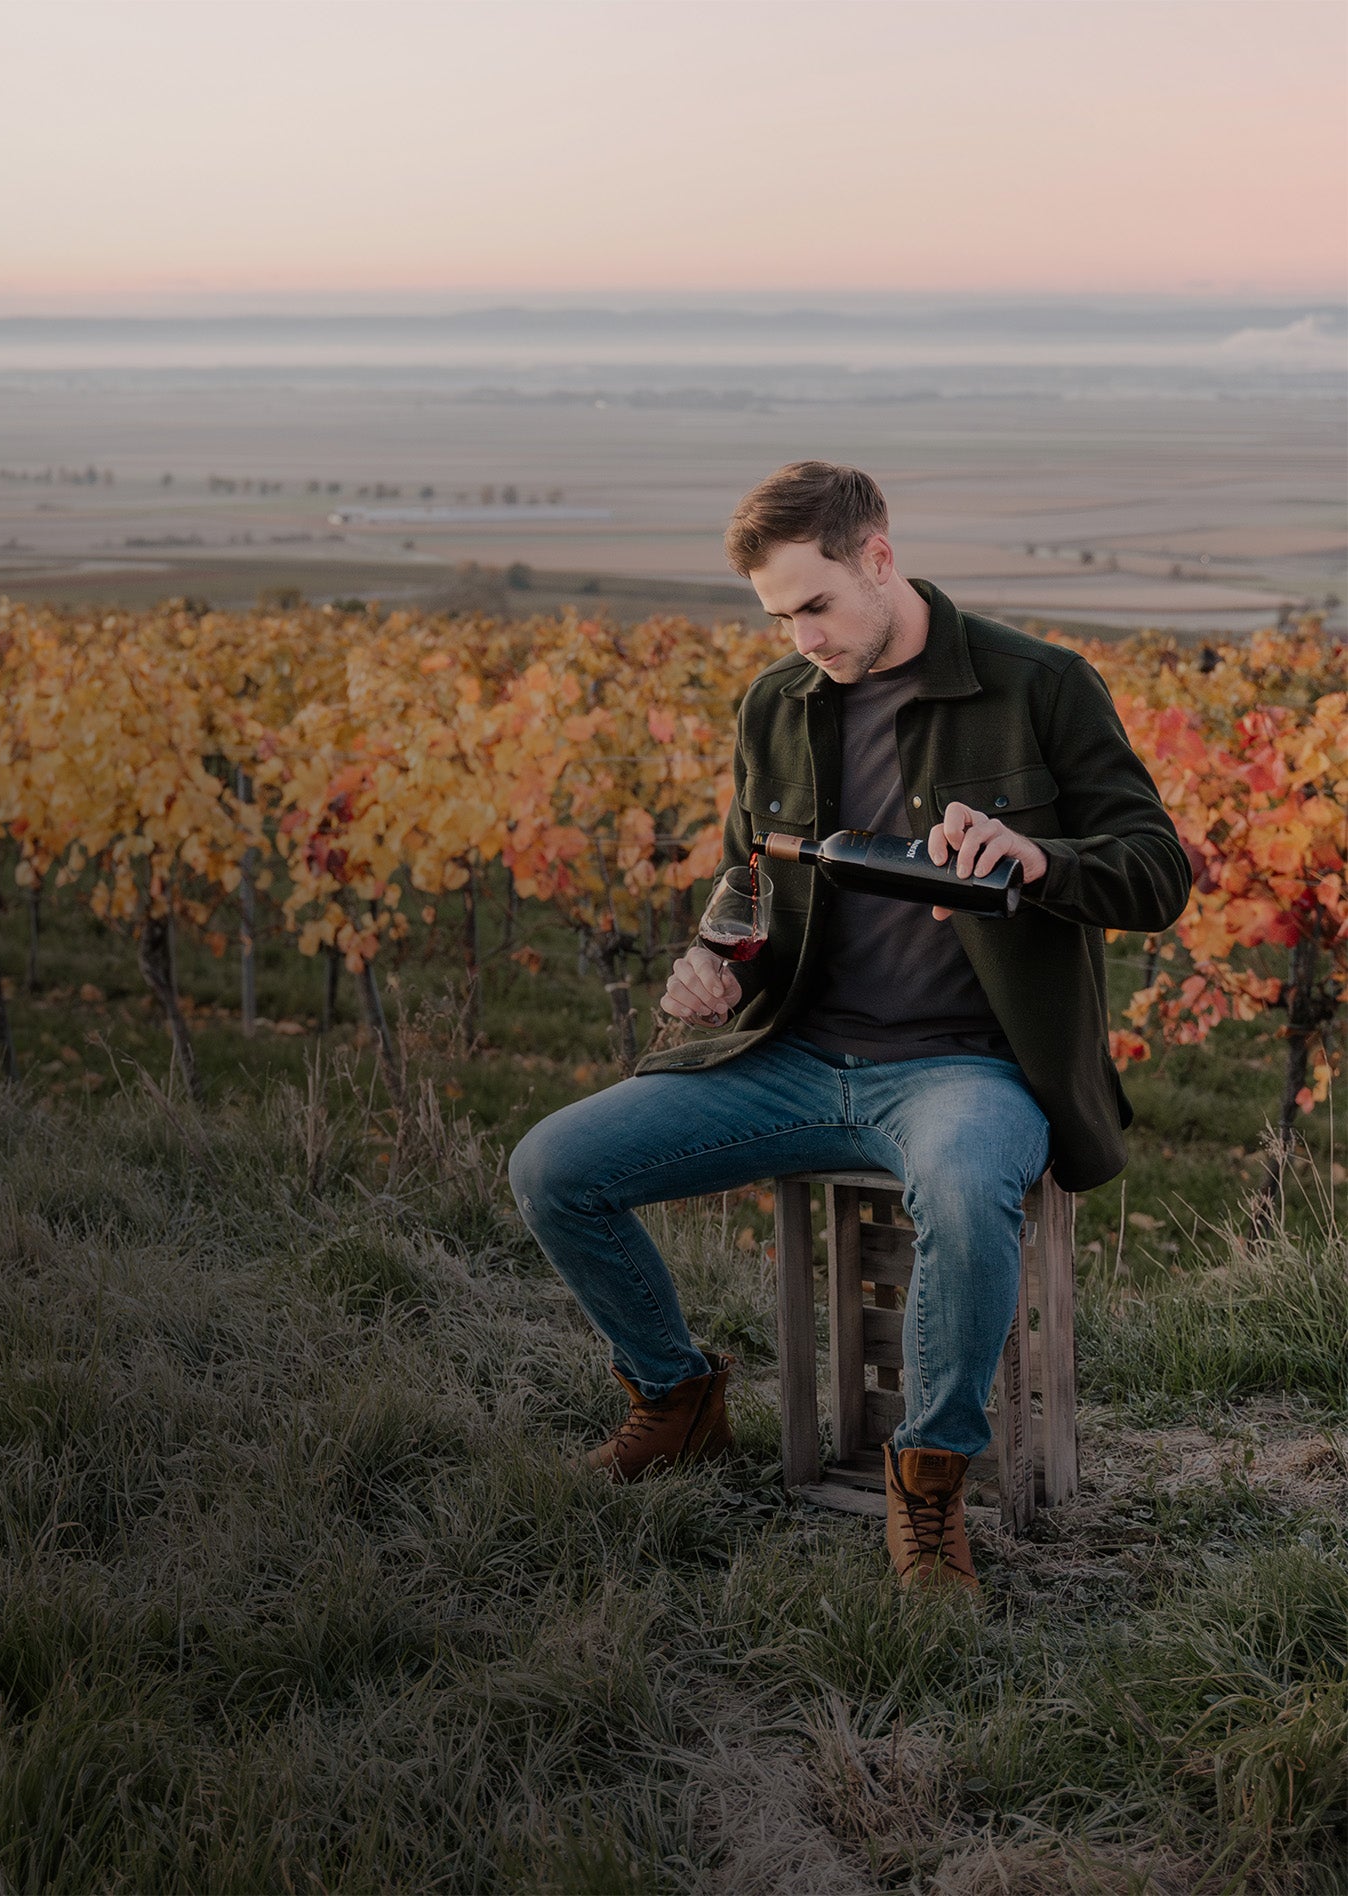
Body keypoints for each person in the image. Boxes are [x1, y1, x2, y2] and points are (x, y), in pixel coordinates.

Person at [508, 461, 1191, 1593]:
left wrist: (1038, 859)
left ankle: (926, 1488)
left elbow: (1158, 875)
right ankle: (677, 1398)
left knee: (968, 1195)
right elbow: (748, 878)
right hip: (789, 1056)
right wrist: (709, 965)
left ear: (879, 558)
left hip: (964, 1069)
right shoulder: (776, 705)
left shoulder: (1041, 686)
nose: (801, 637)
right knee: (550, 1169)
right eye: (778, 617)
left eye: (814, 605)